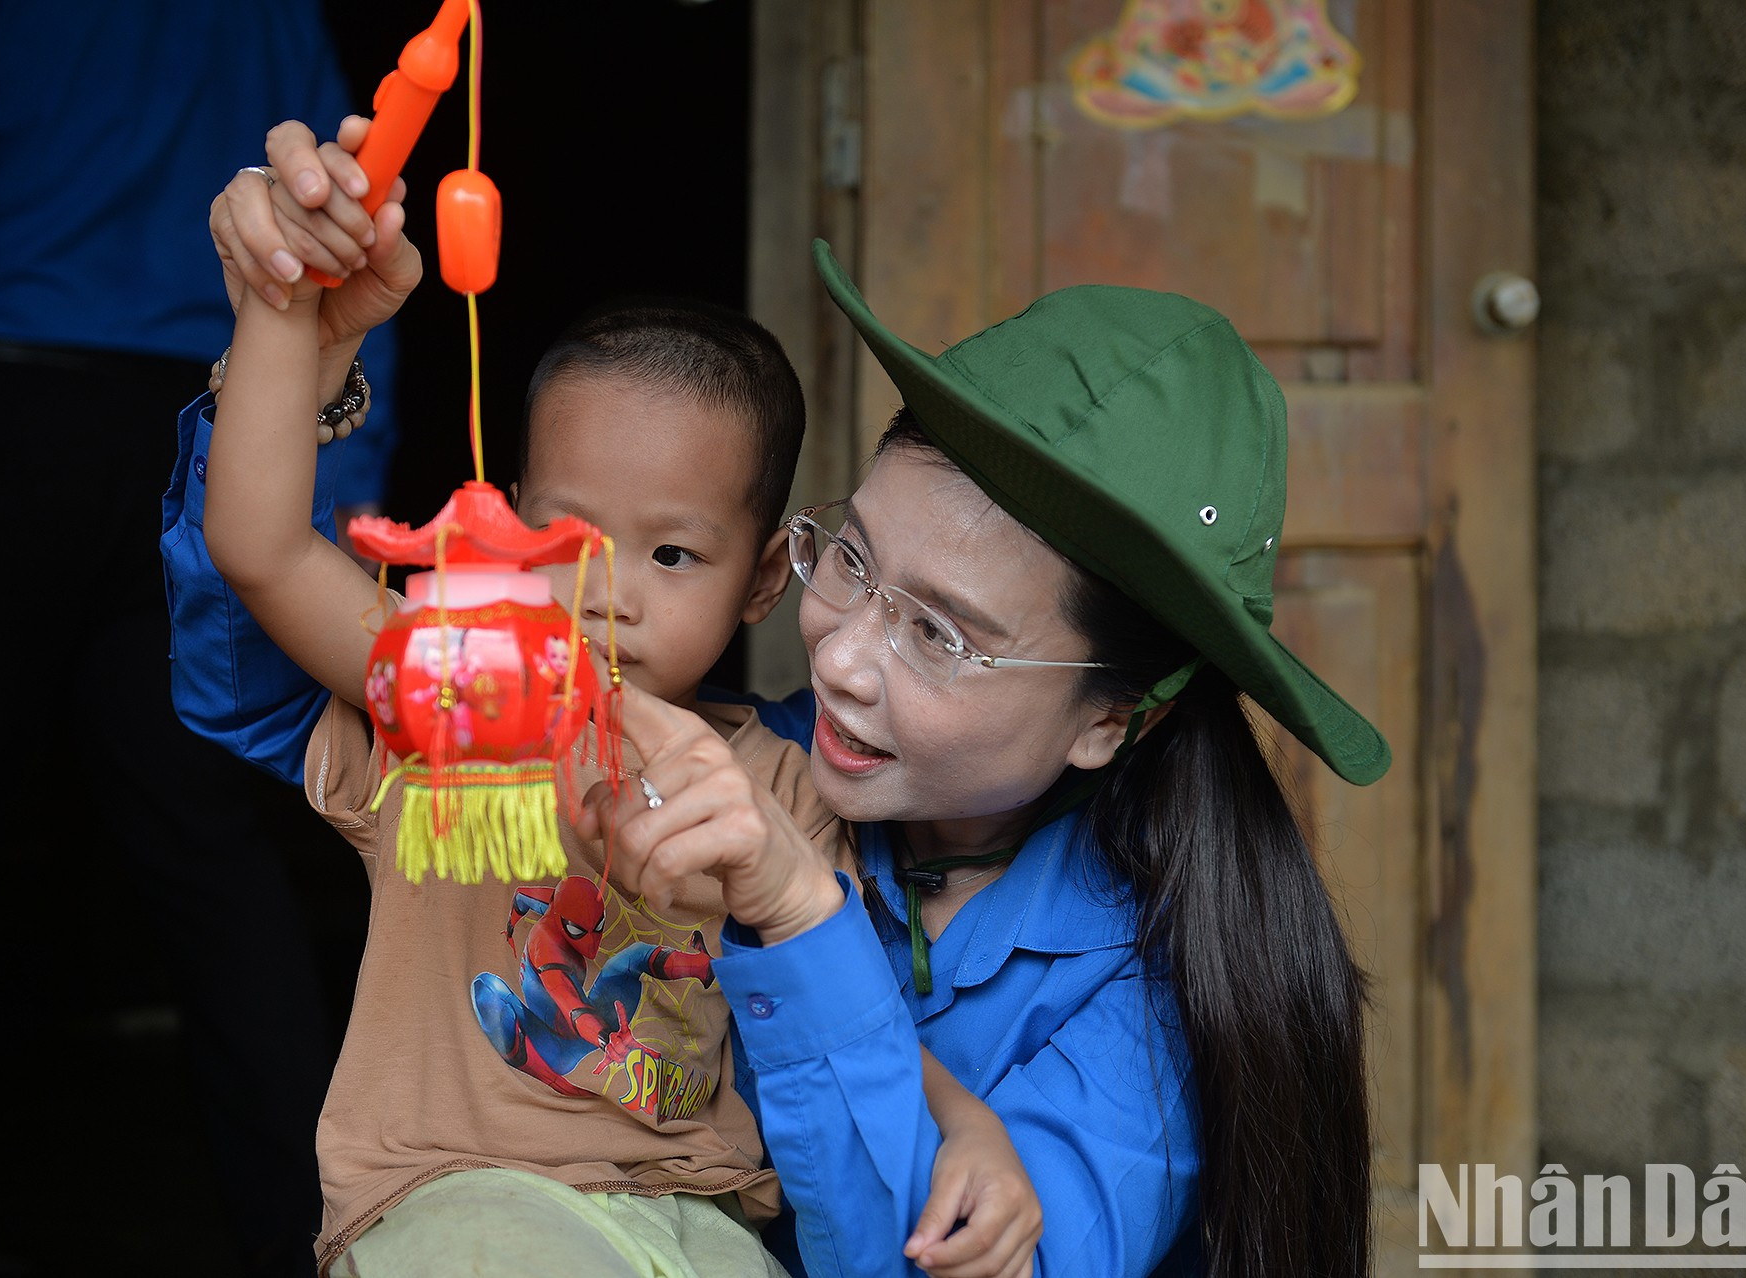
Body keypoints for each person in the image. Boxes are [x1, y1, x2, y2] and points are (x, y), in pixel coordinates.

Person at [181, 118, 1042, 1278]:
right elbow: (261, 546)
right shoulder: (449, 692)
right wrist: (288, 309)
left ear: (764, 581)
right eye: (563, 534)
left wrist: (973, 1128)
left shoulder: (784, 790)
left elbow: (858, 1019)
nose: (604, 592)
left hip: (705, 1221)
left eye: (672, 557)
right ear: (507, 511)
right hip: (465, 1196)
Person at [579, 238, 1390, 1277]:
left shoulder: (1155, 1004)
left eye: (942, 637)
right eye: (856, 561)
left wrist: (799, 917)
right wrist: (309, 364)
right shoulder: (749, 763)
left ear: (1112, 718)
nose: (843, 659)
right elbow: (355, 723)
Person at [0, 6, 397, 1273]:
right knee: (211, 850)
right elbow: (352, 193)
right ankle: (312, 1237)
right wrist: (336, 501)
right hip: (208, 426)